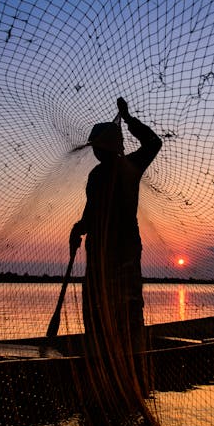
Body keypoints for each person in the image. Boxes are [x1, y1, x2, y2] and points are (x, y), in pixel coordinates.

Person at [70, 97, 161, 365]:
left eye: (99, 148)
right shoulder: (96, 176)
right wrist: (79, 228)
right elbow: (91, 214)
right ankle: (102, 355)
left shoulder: (129, 167)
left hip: (123, 252)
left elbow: (154, 143)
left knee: (126, 304)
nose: (97, 153)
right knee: (97, 305)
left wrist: (129, 119)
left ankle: (129, 358)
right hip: (100, 250)